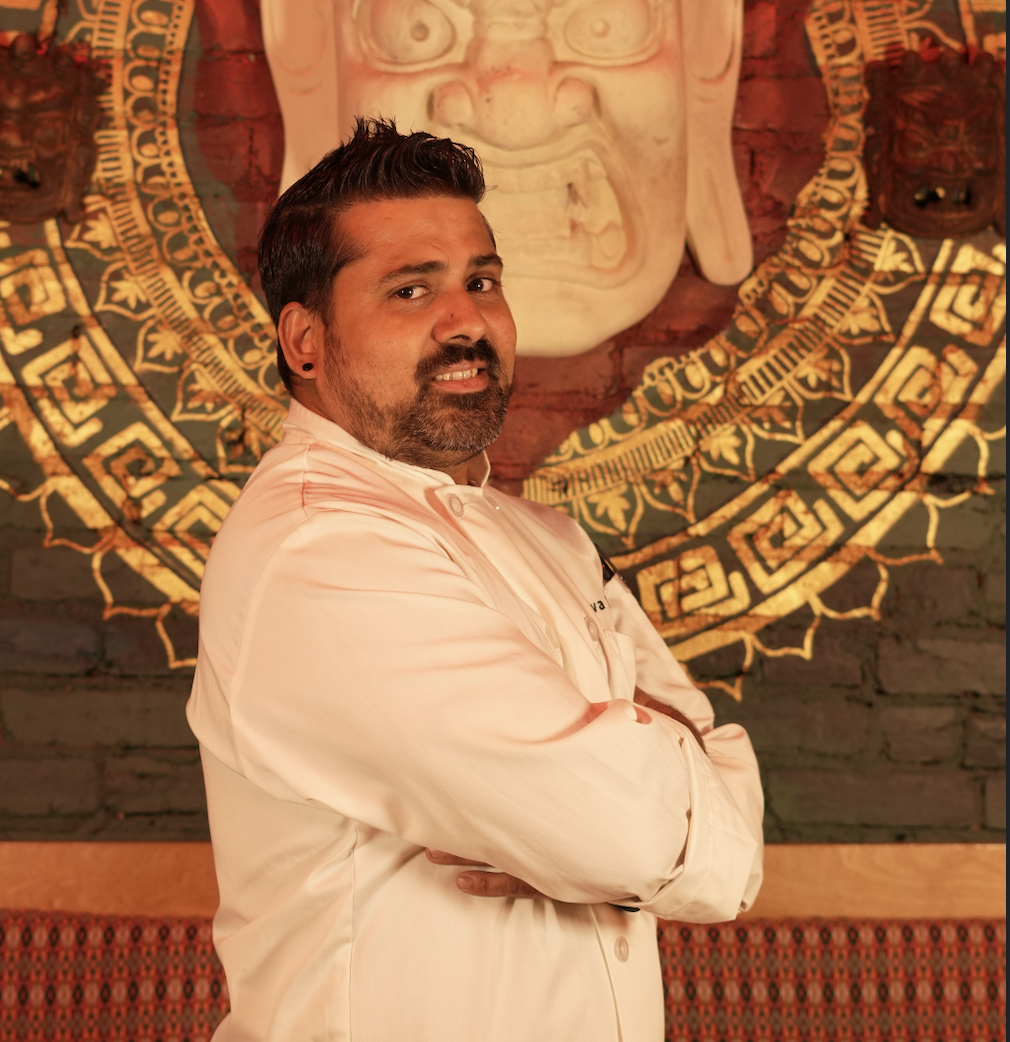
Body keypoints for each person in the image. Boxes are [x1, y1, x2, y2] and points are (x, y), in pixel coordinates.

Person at [187, 117, 763, 1042]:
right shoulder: (319, 552)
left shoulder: (552, 539)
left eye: (482, 281)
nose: (468, 322)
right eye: (411, 289)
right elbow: (641, 834)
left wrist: (588, 826)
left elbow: (725, 823)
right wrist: (611, 828)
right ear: (304, 339)